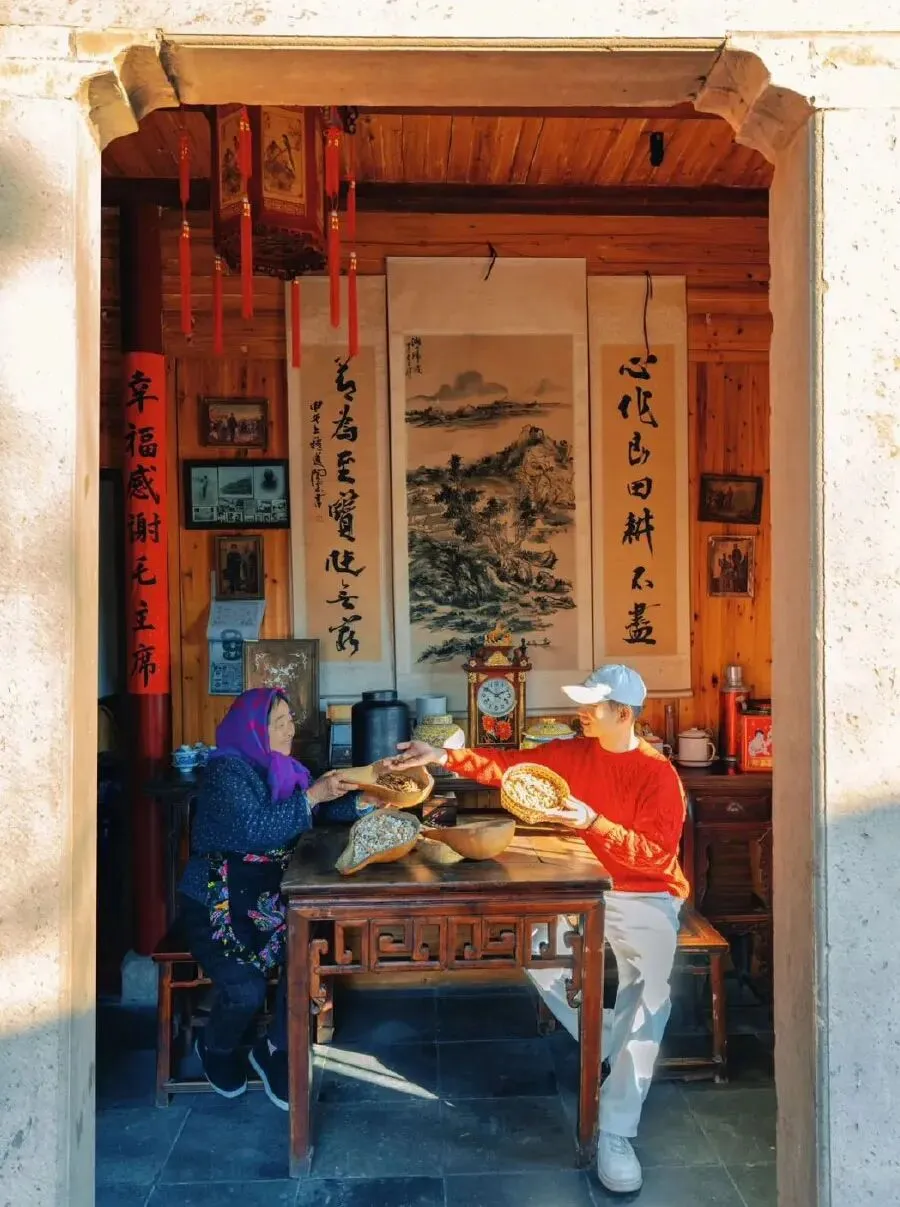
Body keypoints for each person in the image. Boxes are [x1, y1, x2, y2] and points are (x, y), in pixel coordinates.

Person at [389, 664, 688, 1195]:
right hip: (579, 884)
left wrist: (593, 823)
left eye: (593, 706)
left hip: (645, 893)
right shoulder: (573, 754)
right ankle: (607, 1041)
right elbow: (507, 767)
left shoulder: (658, 774)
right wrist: (442, 756)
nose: (582, 712)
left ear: (622, 714)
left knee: (651, 992)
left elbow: (655, 856)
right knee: (534, 944)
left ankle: (616, 1131)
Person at [177, 687, 374, 1110]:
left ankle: (276, 1049)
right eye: (279, 723)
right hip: (216, 901)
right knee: (245, 990)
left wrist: (364, 802)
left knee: (305, 957)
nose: (290, 730)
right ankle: (216, 1047)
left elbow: (318, 810)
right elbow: (256, 830)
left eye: (290, 720)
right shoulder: (227, 772)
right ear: (252, 730)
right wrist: (313, 795)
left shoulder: (284, 768)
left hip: (267, 897)